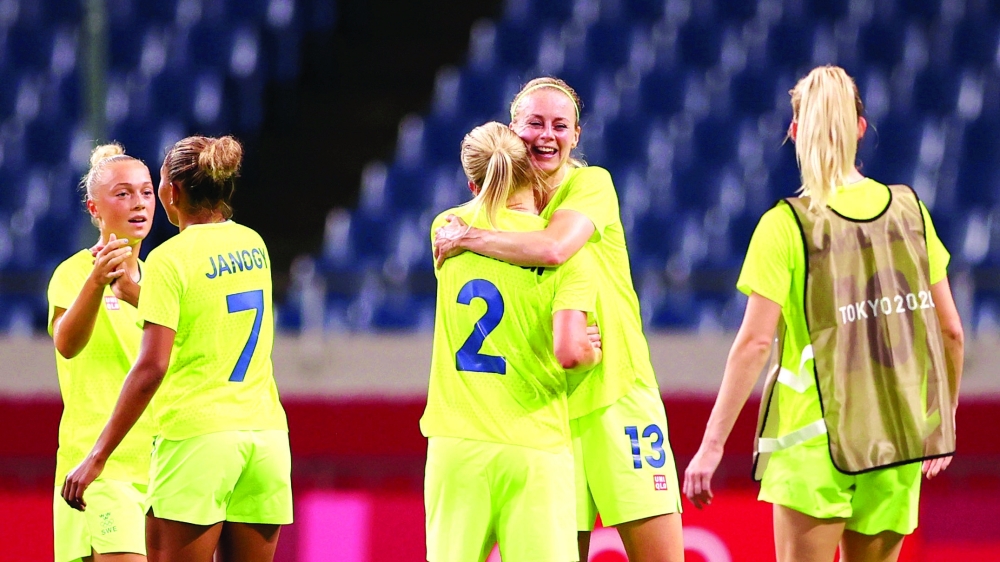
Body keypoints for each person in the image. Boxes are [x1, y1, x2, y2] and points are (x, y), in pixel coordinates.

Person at [683, 65, 963, 562]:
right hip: (895, 441)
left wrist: (711, 445)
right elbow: (951, 331)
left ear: (794, 132)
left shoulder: (785, 224)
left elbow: (753, 343)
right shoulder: (911, 212)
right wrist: (942, 422)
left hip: (813, 445)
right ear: (860, 127)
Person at [434, 78, 684, 562]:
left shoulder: (591, 184)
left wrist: (470, 238)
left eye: (560, 126)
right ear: (513, 129)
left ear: (576, 136)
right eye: (535, 123)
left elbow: (553, 248)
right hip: (549, 410)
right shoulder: (495, 213)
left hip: (618, 396)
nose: (547, 135)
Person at [61, 136, 292, 562]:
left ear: (172, 192)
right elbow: (205, 315)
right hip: (267, 440)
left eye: (154, 186)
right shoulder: (254, 244)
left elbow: (152, 366)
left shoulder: (170, 258)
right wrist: (137, 296)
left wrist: (97, 456)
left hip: (198, 439)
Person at [422, 121, 603, 562]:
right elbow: (570, 350)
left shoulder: (446, 230)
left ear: (471, 180)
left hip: (457, 447)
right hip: (535, 449)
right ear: (533, 173)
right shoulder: (570, 254)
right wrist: (592, 350)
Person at [49, 143, 157, 562]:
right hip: (99, 470)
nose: (139, 204)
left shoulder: (159, 282)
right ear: (95, 209)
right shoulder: (73, 274)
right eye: (124, 193)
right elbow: (67, 344)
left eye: (147, 192)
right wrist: (96, 283)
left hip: (159, 469)